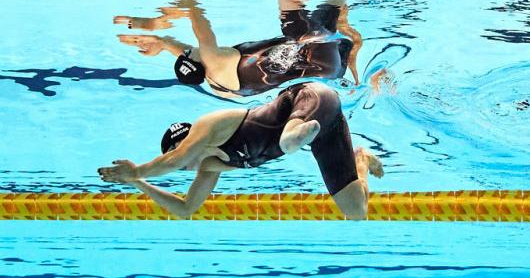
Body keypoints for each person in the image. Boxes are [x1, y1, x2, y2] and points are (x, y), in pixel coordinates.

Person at [97, 82, 383, 220]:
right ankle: (361, 158)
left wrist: (137, 169)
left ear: (184, 142)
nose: (185, 168)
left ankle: (300, 133)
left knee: (288, 143)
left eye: (180, 156)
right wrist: (138, 182)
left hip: (309, 98)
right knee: (356, 211)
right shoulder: (211, 165)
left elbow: (177, 159)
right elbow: (185, 209)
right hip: (327, 127)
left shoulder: (208, 127)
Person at [115, 0, 362, 98]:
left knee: (307, 39)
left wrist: (165, 44)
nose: (191, 50)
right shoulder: (212, 57)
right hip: (311, 45)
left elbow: (191, 57)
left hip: (330, 70)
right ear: (201, 59)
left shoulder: (217, 84)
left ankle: (348, 42)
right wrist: (155, 23)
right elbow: (191, 5)